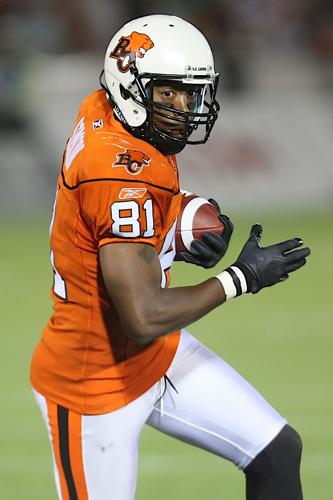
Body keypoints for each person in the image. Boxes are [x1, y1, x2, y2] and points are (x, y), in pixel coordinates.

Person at [30, 14, 310, 500]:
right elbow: (142, 316)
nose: (184, 107)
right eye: (169, 94)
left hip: (154, 356)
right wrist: (240, 278)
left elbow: (113, 214)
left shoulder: (103, 108)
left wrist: (177, 219)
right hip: (94, 382)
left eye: (189, 93)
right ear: (131, 87)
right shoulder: (118, 174)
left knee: (277, 452)